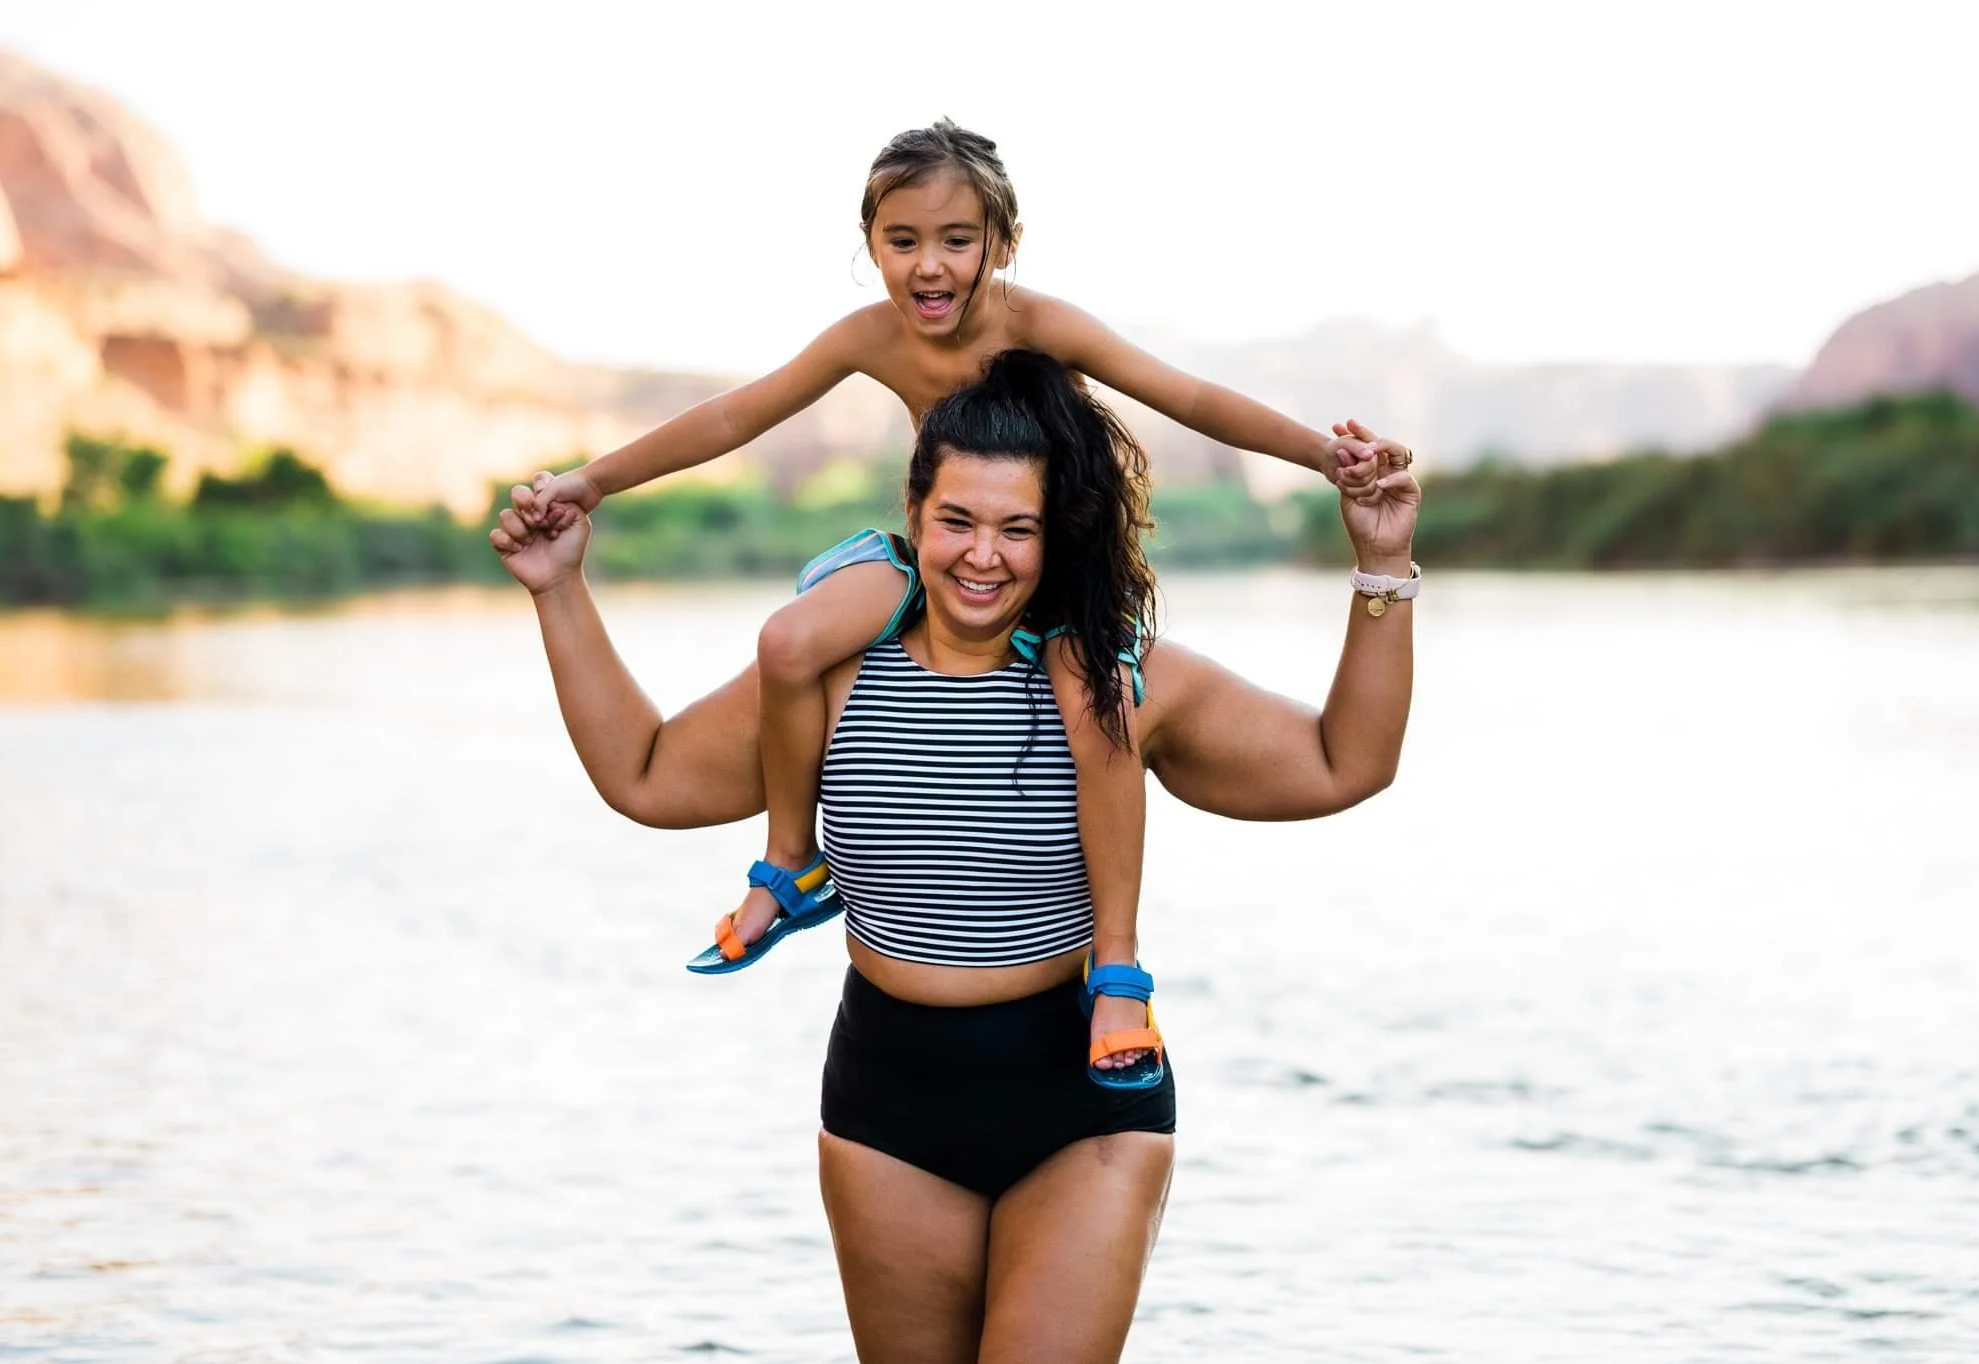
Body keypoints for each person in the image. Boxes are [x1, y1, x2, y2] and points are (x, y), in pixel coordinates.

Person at [491, 350, 1421, 1362]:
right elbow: (645, 773)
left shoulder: (1118, 681)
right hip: (887, 1104)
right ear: (912, 512)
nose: (984, 556)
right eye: (958, 521)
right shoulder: (827, 678)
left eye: (1016, 527)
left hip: (1082, 1100)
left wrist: (1379, 565)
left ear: (1053, 531)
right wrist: (558, 588)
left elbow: (1343, 762)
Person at [517, 119, 1386, 1083]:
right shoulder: (868, 336)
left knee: (1094, 699)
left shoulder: (1040, 323)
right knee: (790, 637)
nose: (929, 267)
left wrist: (1321, 456)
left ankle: (1119, 969)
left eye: (957, 241)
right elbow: (733, 415)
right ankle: (793, 864)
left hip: (1043, 574)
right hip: (924, 554)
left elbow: (1185, 396)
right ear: (871, 244)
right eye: (902, 242)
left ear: (1002, 244)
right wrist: (593, 483)